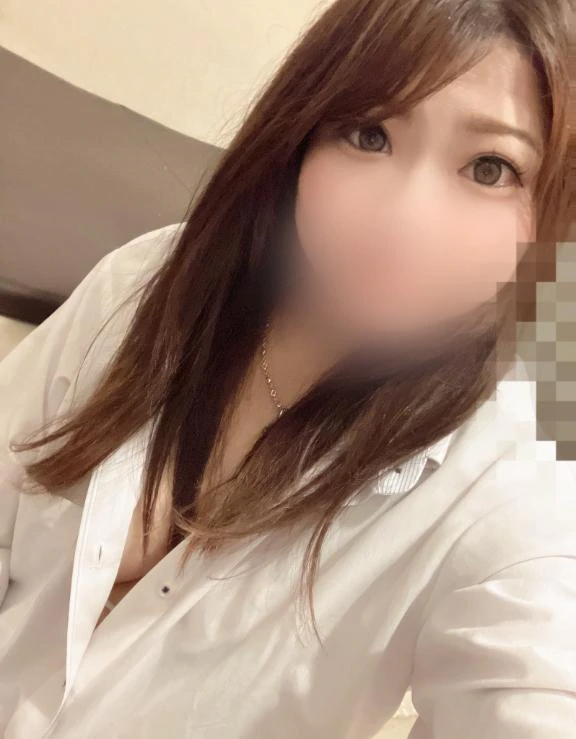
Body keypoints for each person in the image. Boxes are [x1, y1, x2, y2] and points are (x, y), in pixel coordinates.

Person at [1, 0, 575, 736]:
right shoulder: (147, 282)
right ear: (302, 134)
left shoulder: (512, 483)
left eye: (489, 168)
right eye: (369, 134)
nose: (403, 218)